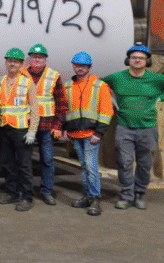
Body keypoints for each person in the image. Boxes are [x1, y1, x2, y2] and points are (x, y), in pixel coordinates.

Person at [103, 42, 164, 210]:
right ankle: (126, 195)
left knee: (145, 165)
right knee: (124, 163)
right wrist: (109, 99)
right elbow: (99, 85)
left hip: (148, 129)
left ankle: (139, 195)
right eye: (134, 57)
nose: (137, 60)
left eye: (141, 58)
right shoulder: (117, 78)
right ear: (128, 60)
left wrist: (160, 97)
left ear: (147, 61)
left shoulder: (156, 79)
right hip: (124, 128)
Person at [63, 51, 113, 216]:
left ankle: (95, 199)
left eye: (83, 66)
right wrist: (65, 128)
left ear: (89, 67)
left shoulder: (99, 85)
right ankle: (88, 196)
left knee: (91, 167)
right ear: (73, 66)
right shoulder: (67, 86)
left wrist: (99, 132)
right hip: (75, 134)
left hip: (91, 134)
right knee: (84, 166)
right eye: (77, 65)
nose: (80, 68)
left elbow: (107, 111)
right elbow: (65, 109)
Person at [20, 44, 68, 205]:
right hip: (26, 124)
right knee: (24, 161)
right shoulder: (21, 73)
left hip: (46, 126)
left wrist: (58, 126)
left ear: (45, 60)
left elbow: (61, 102)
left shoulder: (53, 75)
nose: (37, 60)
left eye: (40, 57)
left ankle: (46, 191)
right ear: (29, 59)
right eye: (34, 57)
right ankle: (24, 190)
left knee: (47, 160)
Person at [0, 48, 40, 211]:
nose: (12, 64)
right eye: (9, 61)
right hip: (3, 129)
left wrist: (32, 131)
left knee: (24, 165)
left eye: (16, 61)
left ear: (21, 64)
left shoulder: (28, 83)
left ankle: (27, 197)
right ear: (6, 63)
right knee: (7, 164)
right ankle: (12, 193)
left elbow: (35, 109)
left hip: (21, 130)